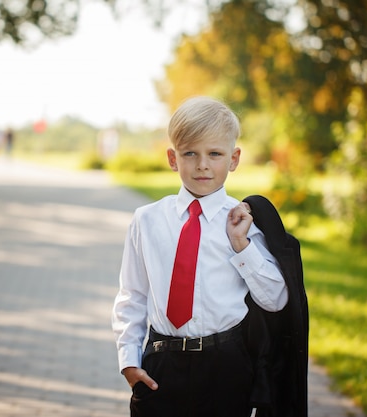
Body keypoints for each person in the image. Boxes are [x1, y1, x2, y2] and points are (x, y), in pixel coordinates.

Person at [111, 96, 289, 417]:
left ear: (234, 159)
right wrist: (129, 362)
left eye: (215, 154)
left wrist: (242, 246)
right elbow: (132, 295)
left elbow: (275, 299)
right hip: (160, 365)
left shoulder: (243, 223)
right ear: (172, 157)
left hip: (226, 365)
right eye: (190, 153)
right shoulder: (146, 220)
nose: (202, 164)